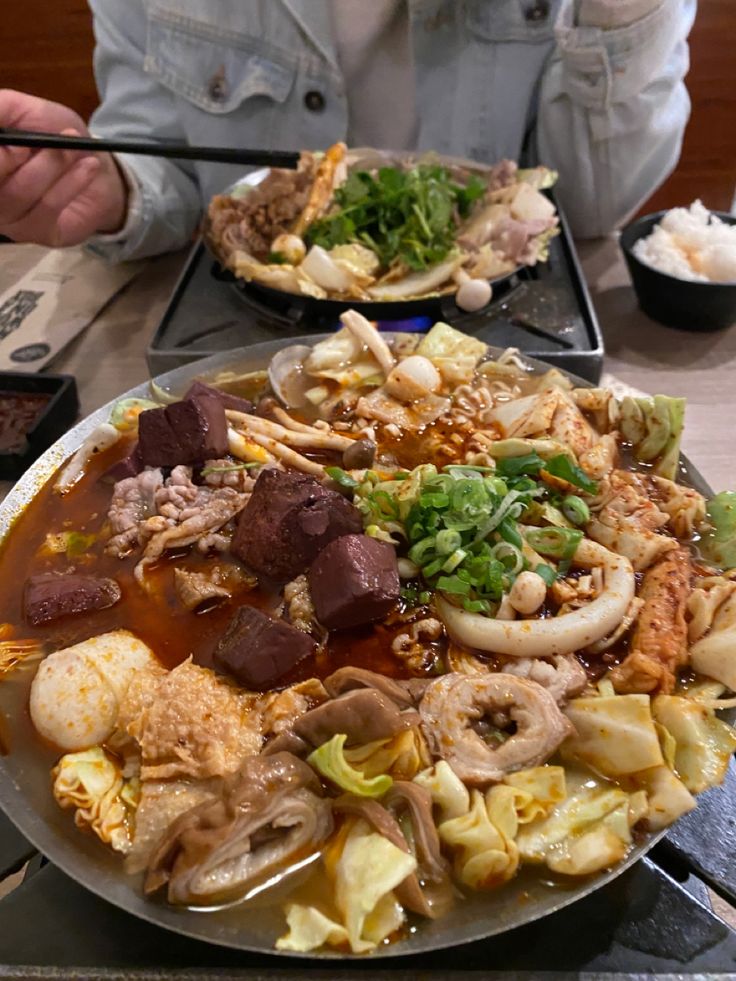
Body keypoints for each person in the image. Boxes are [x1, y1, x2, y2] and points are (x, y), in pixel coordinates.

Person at [0, 0, 695, 261]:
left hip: (500, 334)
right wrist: (108, 184)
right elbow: (167, 175)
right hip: (250, 332)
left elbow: (594, 207)